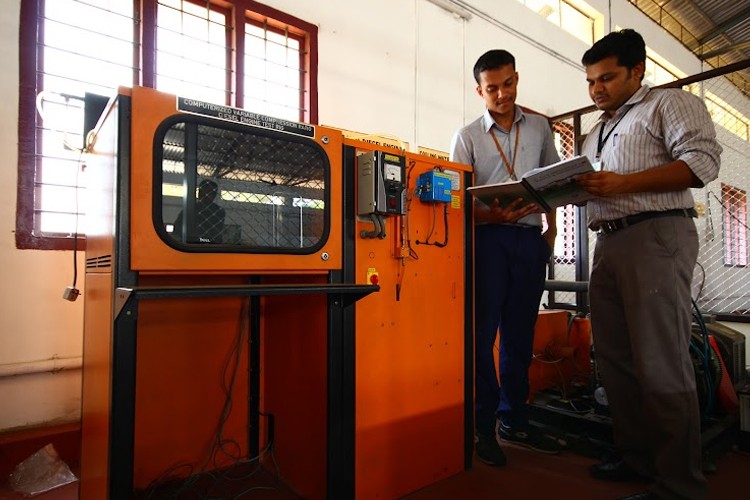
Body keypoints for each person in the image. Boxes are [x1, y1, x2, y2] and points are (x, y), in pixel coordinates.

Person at [577, 29, 721, 500]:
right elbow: (594, 185)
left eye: (607, 78)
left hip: (656, 234)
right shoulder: (597, 129)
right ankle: (638, 458)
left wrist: (623, 185)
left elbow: (701, 164)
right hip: (609, 241)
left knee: (661, 361)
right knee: (615, 359)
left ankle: (679, 483)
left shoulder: (667, 104)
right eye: (591, 81)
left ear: (638, 71)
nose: (597, 89)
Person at [450, 49, 562, 467]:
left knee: (519, 335)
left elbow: (552, 180)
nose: (502, 94)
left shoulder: (540, 128)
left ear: (517, 79)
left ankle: (514, 418)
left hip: (530, 242)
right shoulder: (467, 136)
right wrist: (487, 215)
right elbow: (457, 200)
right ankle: (482, 428)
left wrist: (550, 234)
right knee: (481, 337)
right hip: (488, 241)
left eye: (508, 84)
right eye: (492, 88)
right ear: (479, 90)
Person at [173, 179, 226, 243]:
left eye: (209, 192)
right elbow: (177, 228)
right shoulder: (190, 209)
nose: (206, 195)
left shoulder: (218, 211)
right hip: (191, 243)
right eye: (203, 192)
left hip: (209, 245)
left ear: (214, 195)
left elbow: (216, 232)